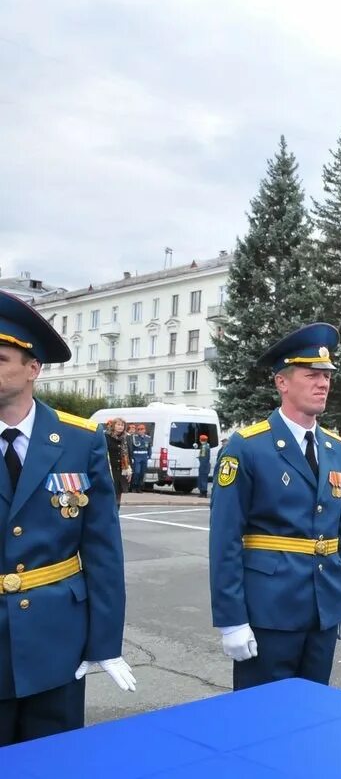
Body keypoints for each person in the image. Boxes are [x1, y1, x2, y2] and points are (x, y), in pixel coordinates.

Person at [0, 290, 135, 745]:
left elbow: (102, 549)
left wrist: (104, 643)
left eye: (0, 358)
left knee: (55, 759)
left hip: (57, 639)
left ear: (33, 368)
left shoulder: (81, 441)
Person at [208, 323, 341, 690]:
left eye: (326, 376)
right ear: (282, 382)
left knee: (310, 717)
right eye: (312, 375)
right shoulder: (248, 447)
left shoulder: (334, 448)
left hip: (323, 608)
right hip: (269, 612)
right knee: (261, 721)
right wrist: (232, 620)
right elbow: (226, 539)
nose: (323, 383)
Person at [104, 417, 130, 509]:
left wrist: (129, 469)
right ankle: (109, 512)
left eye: (122, 425)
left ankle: (116, 512)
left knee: (119, 493)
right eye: (118, 424)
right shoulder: (106, 437)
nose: (120, 427)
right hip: (110, 469)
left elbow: (128, 454)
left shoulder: (125, 438)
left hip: (121, 470)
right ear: (113, 426)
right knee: (110, 492)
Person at [128, 423, 150, 491]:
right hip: (136, 457)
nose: (140, 431)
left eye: (142, 429)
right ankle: (133, 486)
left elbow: (149, 448)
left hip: (144, 457)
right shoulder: (134, 437)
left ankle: (139, 487)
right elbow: (131, 448)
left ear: (145, 430)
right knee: (136, 472)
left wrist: (149, 456)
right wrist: (131, 457)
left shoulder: (148, 438)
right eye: (139, 429)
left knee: (142, 473)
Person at [197, 434, 212, 499]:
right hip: (206, 465)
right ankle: (203, 492)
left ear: (201, 440)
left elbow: (203, 457)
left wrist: (199, 458)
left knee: (202, 479)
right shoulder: (207, 446)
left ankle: (203, 493)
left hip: (203, 466)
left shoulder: (203, 447)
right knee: (204, 479)